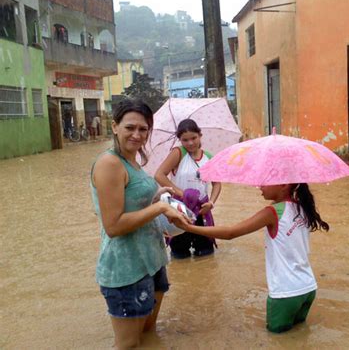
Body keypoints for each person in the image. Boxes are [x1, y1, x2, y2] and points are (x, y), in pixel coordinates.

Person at [90, 98, 189, 349]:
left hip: (151, 260)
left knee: (148, 334)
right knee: (129, 344)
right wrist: (160, 207)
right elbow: (113, 226)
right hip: (125, 270)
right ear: (114, 127)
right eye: (129, 127)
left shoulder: (133, 161)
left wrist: (158, 197)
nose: (137, 134)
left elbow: (133, 204)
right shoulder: (109, 163)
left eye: (143, 129)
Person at [179, 183, 329, 333]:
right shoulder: (301, 206)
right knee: (297, 336)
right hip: (308, 288)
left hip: (285, 293)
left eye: (265, 182)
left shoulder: (272, 212)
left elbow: (231, 233)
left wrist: (188, 228)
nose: (259, 186)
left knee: (277, 340)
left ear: (283, 185)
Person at [155, 118, 222, 258]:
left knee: (206, 253)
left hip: (202, 208)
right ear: (180, 140)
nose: (190, 143)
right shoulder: (178, 153)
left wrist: (211, 203)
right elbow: (159, 175)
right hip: (179, 208)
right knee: (180, 253)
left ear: (200, 135)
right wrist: (181, 193)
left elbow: (217, 183)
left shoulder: (208, 157)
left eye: (194, 138)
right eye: (185, 140)